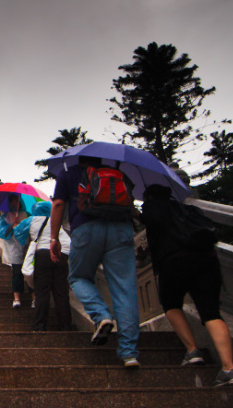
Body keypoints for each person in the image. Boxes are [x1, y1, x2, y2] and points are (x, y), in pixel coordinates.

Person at [142, 184, 233, 386]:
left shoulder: (153, 208)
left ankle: (192, 351)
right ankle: (229, 368)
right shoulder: (189, 210)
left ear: (150, 197)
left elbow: (152, 222)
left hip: (174, 261)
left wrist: (136, 211)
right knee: (211, 312)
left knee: (171, 304)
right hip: (207, 260)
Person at [50, 156, 140, 368]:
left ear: (79, 157)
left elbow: (59, 204)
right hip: (121, 229)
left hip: (86, 227)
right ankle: (129, 353)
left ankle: (101, 315)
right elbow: (130, 204)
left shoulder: (68, 173)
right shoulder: (116, 174)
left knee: (78, 277)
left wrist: (54, 238)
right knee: (125, 288)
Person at [21, 201, 72, 331]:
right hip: (61, 254)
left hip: (43, 254)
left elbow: (18, 233)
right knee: (61, 292)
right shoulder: (55, 220)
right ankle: (65, 326)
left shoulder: (31, 220)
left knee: (42, 292)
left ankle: (40, 325)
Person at [0, 194, 28, 308]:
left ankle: (34, 298)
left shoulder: (27, 215)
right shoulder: (5, 217)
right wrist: (12, 226)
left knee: (30, 272)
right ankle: (17, 298)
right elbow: (1, 232)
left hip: (27, 247)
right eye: (13, 201)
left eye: (17, 201)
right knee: (17, 273)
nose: (15, 204)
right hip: (14, 248)